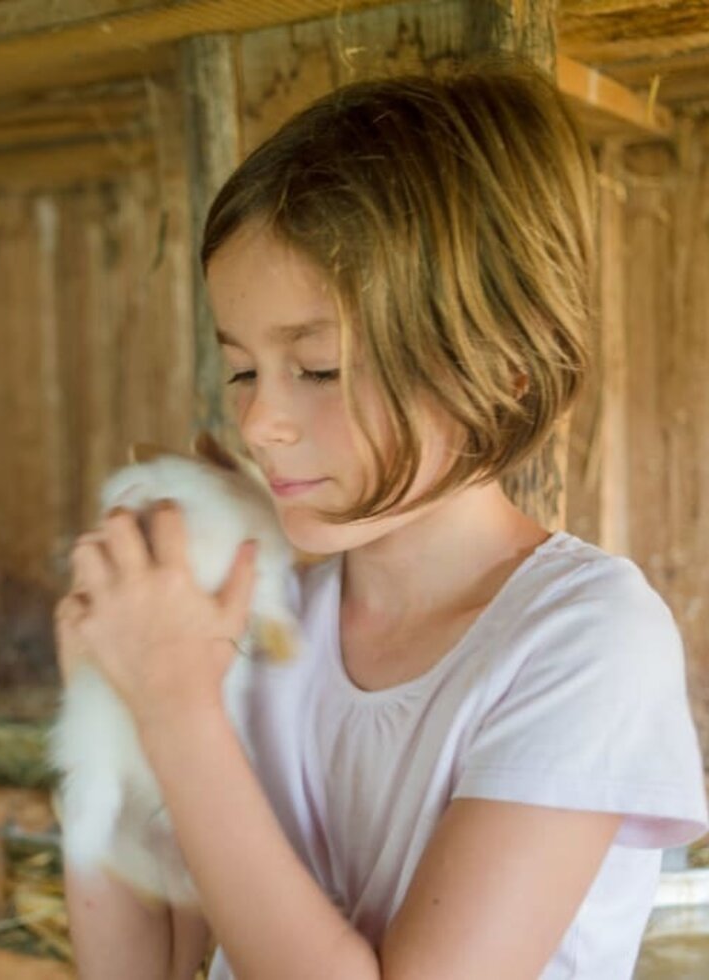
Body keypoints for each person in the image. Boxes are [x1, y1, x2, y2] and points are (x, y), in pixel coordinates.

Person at [52, 59, 709, 980]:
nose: (257, 420)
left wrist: (174, 707)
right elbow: (148, 969)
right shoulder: (260, 612)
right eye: (243, 368)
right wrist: (106, 712)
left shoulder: (587, 639)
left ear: (499, 371)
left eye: (316, 369)